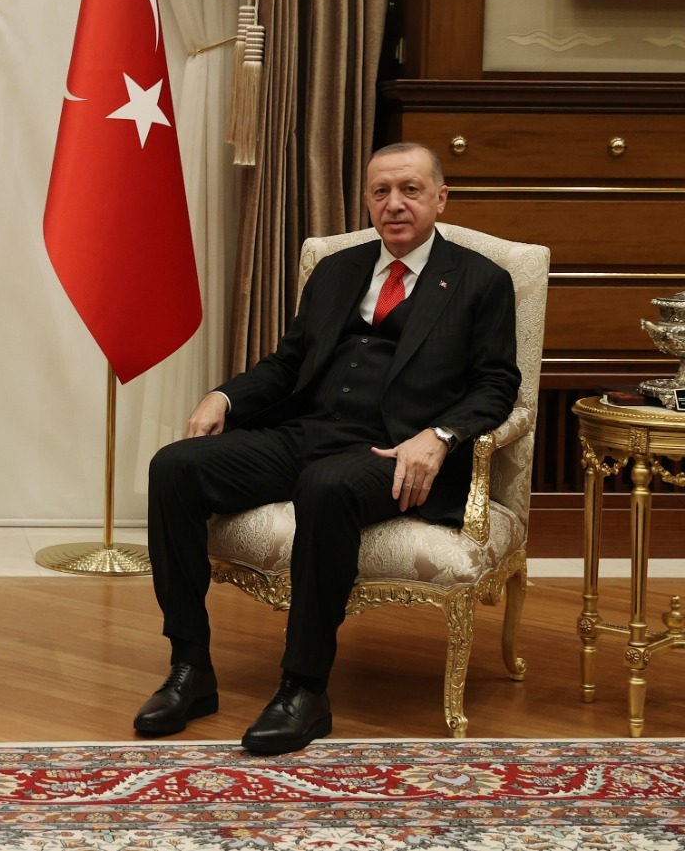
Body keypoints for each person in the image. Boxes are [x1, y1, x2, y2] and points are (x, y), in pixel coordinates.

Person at [134, 142, 520, 755]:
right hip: (306, 432)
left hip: (393, 452)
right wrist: (224, 397)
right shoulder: (338, 270)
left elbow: (497, 385)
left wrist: (439, 437)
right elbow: (289, 364)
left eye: (410, 190)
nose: (394, 204)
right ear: (367, 199)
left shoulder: (481, 281)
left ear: (440, 197)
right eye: (380, 191)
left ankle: (304, 688)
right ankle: (190, 668)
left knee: (327, 485)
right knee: (175, 467)